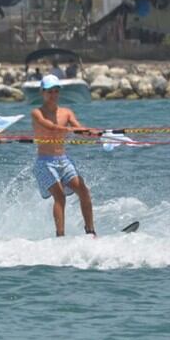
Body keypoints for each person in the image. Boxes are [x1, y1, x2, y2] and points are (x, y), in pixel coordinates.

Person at [31, 74, 97, 237]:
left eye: (56, 91)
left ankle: (90, 232)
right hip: (44, 162)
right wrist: (68, 129)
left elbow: (78, 127)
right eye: (49, 92)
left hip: (64, 160)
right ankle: (60, 236)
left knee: (84, 191)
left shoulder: (66, 113)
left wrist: (90, 132)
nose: (53, 95)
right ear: (42, 93)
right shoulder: (37, 113)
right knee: (59, 196)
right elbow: (50, 126)